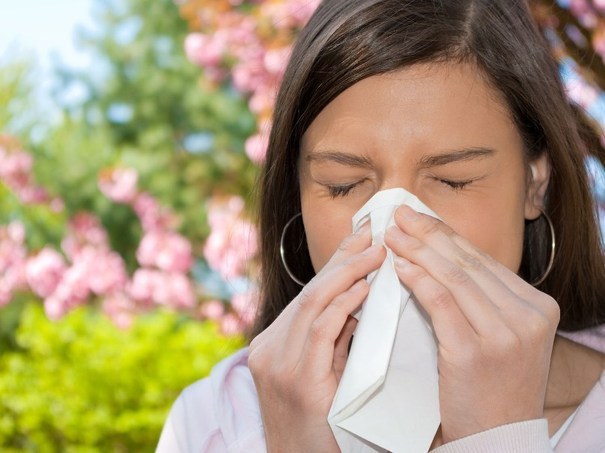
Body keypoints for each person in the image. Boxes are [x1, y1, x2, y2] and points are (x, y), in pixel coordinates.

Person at [156, 0, 605, 451]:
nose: (393, 230)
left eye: (453, 180)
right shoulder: (213, 423)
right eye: (343, 185)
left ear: (534, 183)